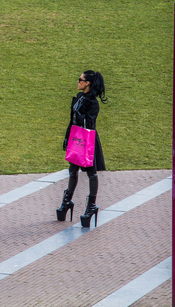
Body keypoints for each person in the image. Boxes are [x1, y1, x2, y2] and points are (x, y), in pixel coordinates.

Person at [57, 70, 107, 227]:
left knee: (91, 173)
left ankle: (91, 205)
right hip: (76, 137)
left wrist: (80, 115)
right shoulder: (80, 97)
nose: (78, 81)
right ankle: (67, 201)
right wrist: (67, 137)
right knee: (72, 170)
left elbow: (89, 124)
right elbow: (71, 120)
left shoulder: (93, 103)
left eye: (80, 80)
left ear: (87, 83)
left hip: (88, 140)